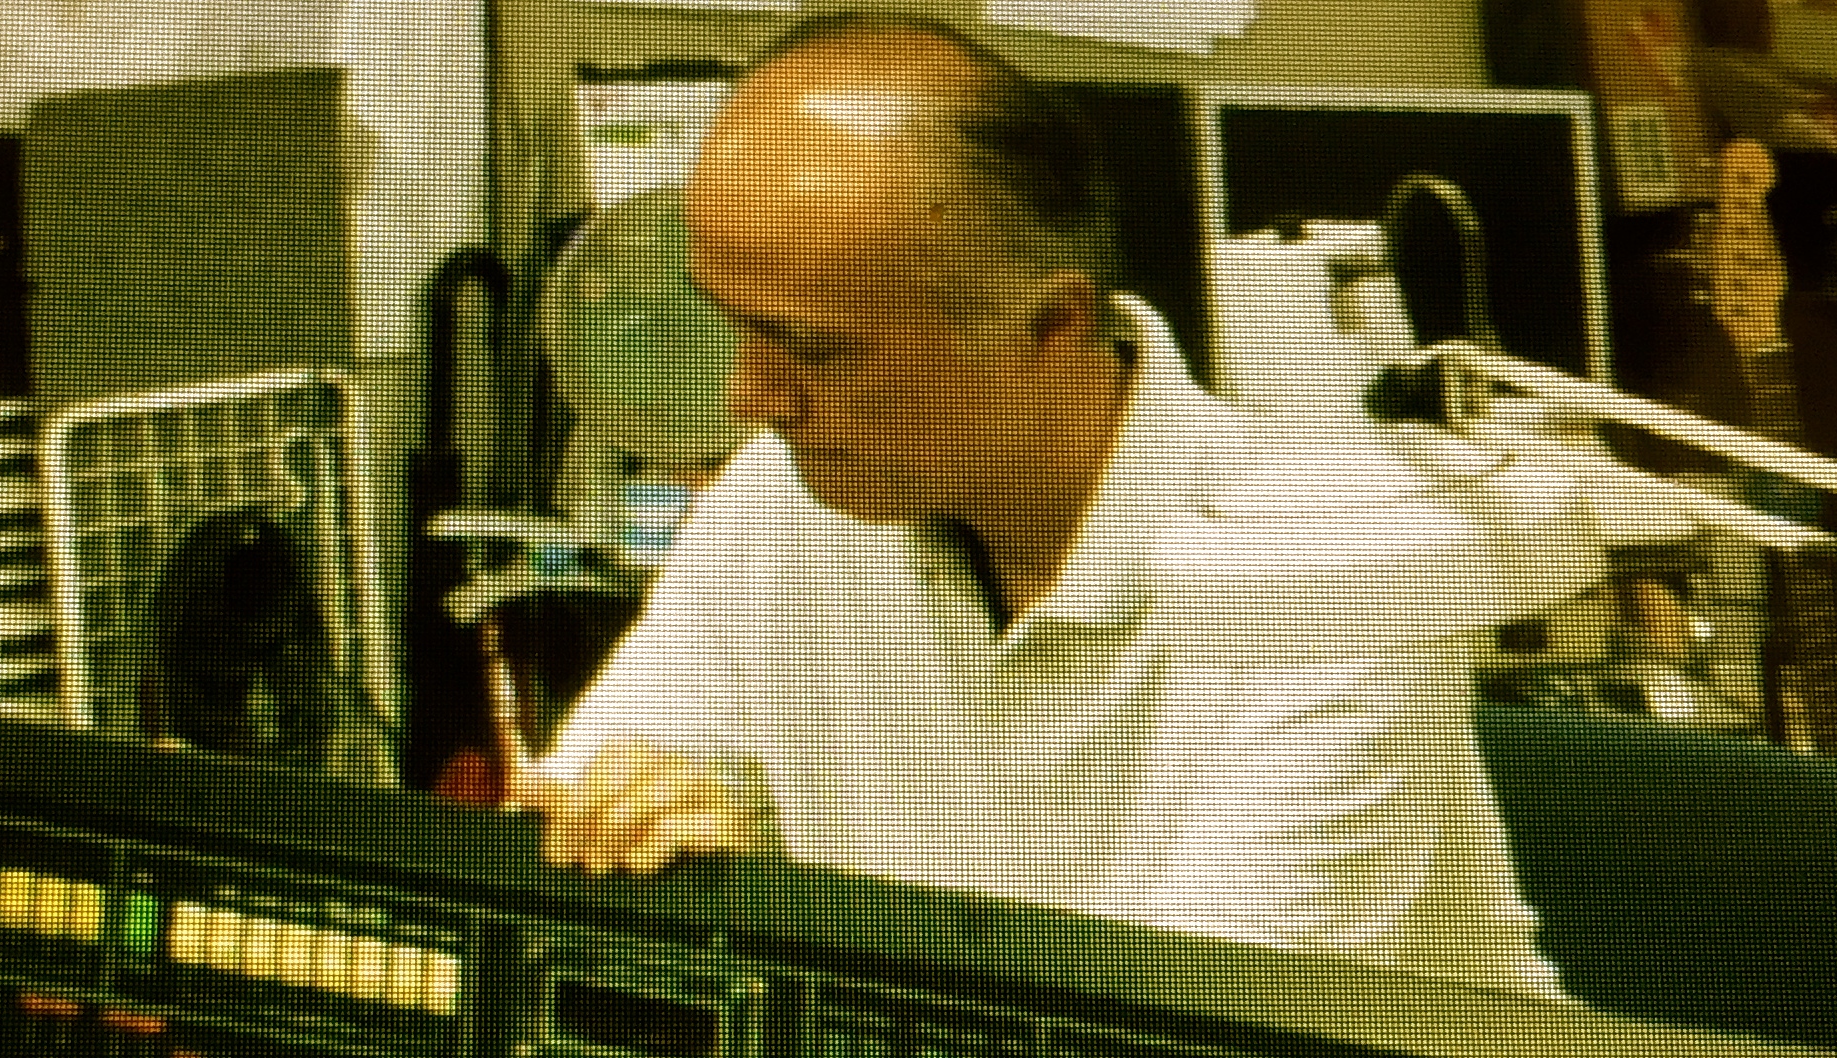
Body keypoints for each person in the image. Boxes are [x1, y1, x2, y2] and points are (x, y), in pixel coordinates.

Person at [509, 8, 1566, 1000]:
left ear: (1052, 327)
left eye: (816, 349)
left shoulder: (1324, 573)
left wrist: (770, 906)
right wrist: (640, 824)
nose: (751, 398)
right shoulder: (785, 500)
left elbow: (1191, 1037)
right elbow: (579, 827)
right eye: (734, 323)